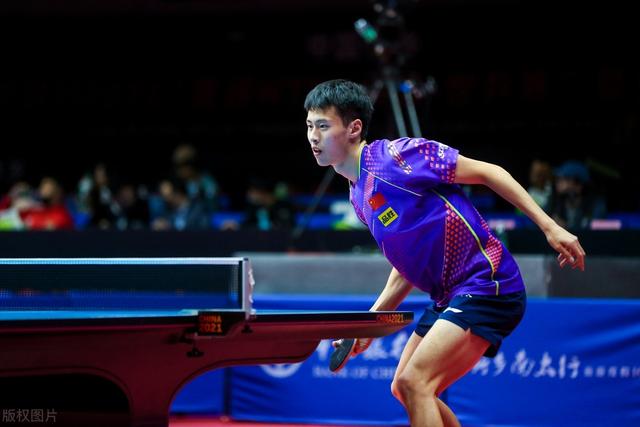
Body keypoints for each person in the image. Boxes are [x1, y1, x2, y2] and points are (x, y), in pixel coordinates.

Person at [304, 79, 585, 427]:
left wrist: (550, 227)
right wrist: (370, 323)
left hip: (487, 282)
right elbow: (406, 263)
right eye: (309, 126)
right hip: (450, 294)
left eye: (322, 126)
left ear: (353, 128)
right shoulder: (357, 194)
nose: (313, 136)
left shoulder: (396, 157)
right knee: (403, 386)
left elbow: (488, 172)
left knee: (416, 383)